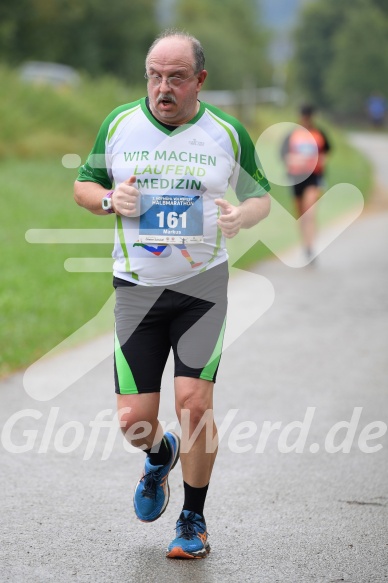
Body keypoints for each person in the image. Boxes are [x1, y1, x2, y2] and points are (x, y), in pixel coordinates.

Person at [74, 29, 270, 559]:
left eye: (176, 77)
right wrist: (111, 200)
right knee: (133, 422)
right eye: (155, 76)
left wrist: (239, 215)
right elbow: (83, 187)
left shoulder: (227, 133)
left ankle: (193, 519)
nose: (164, 87)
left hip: (201, 288)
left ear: (200, 80)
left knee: (193, 401)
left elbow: (260, 197)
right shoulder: (119, 124)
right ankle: (160, 455)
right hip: (137, 290)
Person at [281, 104, 331, 261]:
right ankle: (306, 245)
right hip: (296, 178)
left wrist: (320, 161)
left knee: (310, 212)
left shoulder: (319, 133)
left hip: (313, 178)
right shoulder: (292, 135)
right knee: (301, 215)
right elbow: (284, 155)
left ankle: (310, 246)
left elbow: (327, 152)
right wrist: (293, 160)